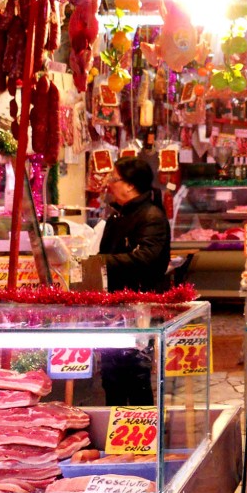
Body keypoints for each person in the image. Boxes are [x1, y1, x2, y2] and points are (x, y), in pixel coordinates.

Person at [88, 157, 171, 406]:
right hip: (115, 310)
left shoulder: (151, 216)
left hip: (138, 310)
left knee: (136, 377)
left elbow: (147, 258)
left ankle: (142, 437)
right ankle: (116, 434)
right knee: (112, 377)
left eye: (114, 179)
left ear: (130, 185)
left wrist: (99, 262)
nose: (109, 184)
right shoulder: (118, 216)